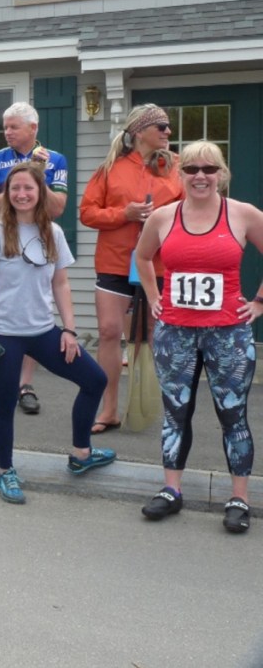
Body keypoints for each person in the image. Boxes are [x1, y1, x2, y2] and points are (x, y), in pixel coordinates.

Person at [134, 141, 263, 533]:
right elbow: (142, 257)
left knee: (233, 415)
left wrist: (258, 302)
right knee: (176, 411)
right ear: (181, 174)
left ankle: (239, 497)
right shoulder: (162, 217)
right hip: (176, 333)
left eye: (209, 169)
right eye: (191, 169)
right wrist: (155, 299)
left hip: (228, 333)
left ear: (221, 174)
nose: (200, 176)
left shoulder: (242, 214)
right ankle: (172, 490)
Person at [0, 163, 113, 504]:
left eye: (28, 188)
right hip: (3, 334)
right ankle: (6, 472)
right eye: (15, 188)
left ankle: (81, 454)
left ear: (40, 192)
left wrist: (69, 330)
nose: (21, 194)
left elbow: (61, 284)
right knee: (4, 405)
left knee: (94, 380)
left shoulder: (53, 232)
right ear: (7, 192)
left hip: (43, 331)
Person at [79, 104, 183, 433]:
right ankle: (108, 409)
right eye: (162, 127)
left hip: (160, 264)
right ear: (140, 131)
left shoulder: (178, 166)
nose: (168, 132)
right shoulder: (111, 168)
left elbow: (193, 210)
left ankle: (151, 408)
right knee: (110, 332)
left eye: (168, 127)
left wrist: (161, 222)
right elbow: (87, 212)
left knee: (151, 336)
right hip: (115, 261)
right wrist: (124, 214)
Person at [0, 102, 69, 419]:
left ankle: (25, 386)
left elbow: (57, 208)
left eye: (14, 126)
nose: (7, 132)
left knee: (32, 310)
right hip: (2, 240)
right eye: (6, 126)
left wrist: (38, 177)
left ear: (33, 128)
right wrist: (17, 185)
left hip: (37, 238)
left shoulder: (55, 160)